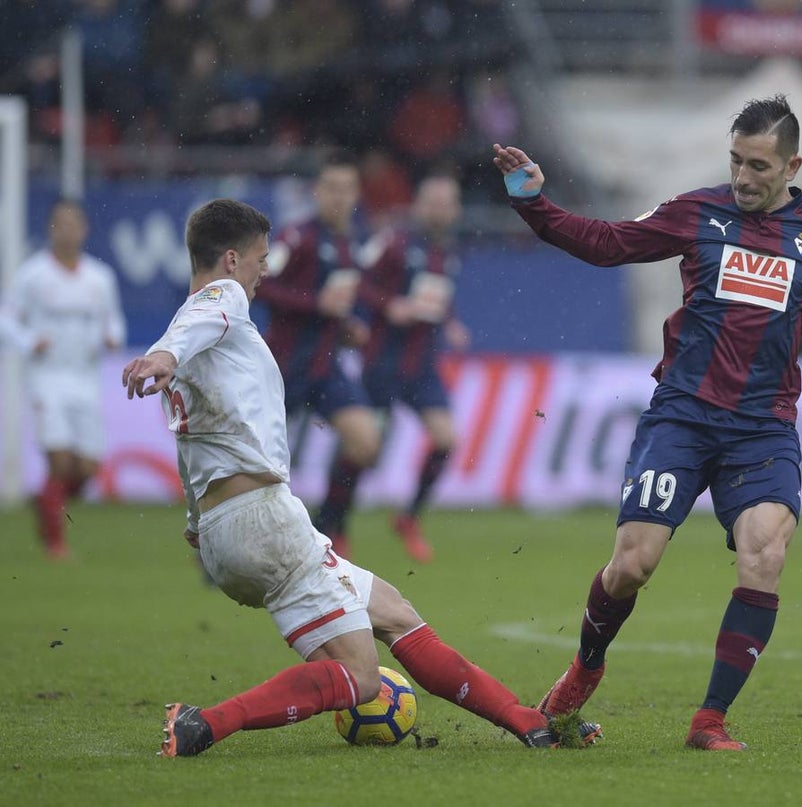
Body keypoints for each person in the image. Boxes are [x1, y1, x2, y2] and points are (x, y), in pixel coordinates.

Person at [121, 198, 600, 757]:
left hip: (226, 533)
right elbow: (208, 314)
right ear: (230, 260)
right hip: (263, 523)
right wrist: (163, 355)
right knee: (361, 679)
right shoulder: (218, 302)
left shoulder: (199, 338)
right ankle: (204, 724)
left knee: (394, 612)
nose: (264, 271)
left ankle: (527, 721)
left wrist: (195, 519)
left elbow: (191, 442)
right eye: (259, 259)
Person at [491, 94, 802, 751]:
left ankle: (710, 719)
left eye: (758, 165)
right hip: (684, 415)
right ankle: (585, 663)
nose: (744, 177)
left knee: (765, 552)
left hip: (763, 427)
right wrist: (534, 203)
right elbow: (608, 244)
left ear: (792, 165)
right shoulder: (698, 212)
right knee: (632, 565)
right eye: (735, 160)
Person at [318, 172, 470, 563]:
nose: (439, 209)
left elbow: (435, 296)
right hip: (383, 364)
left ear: (455, 209)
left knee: (446, 439)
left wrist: (450, 321)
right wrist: (389, 306)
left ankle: (408, 518)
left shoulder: (448, 249)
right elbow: (360, 282)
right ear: (419, 204)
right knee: (364, 450)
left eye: (446, 202)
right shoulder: (395, 241)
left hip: (422, 367)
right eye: (433, 201)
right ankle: (335, 526)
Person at [257, 151, 381, 558]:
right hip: (285, 366)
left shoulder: (355, 242)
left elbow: (346, 301)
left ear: (357, 194)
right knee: (259, 466)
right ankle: (224, 543)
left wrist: (350, 326)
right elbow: (262, 285)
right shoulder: (297, 237)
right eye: (331, 188)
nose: (339, 197)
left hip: (326, 366)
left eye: (346, 189)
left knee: (364, 441)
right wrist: (316, 304)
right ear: (316, 192)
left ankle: (330, 526)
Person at [0, 198, 126, 559]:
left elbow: (113, 320)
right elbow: (6, 319)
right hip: (47, 376)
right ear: (50, 229)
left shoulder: (100, 278)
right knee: (59, 461)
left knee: (87, 467)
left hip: (85, 378)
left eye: (75, 223)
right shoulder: (32, 275)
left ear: (84, 229)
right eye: (61, 223)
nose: (68, 230)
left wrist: (112, 337)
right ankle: (55, 542)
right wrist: (28, 341)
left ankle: (45, 504)